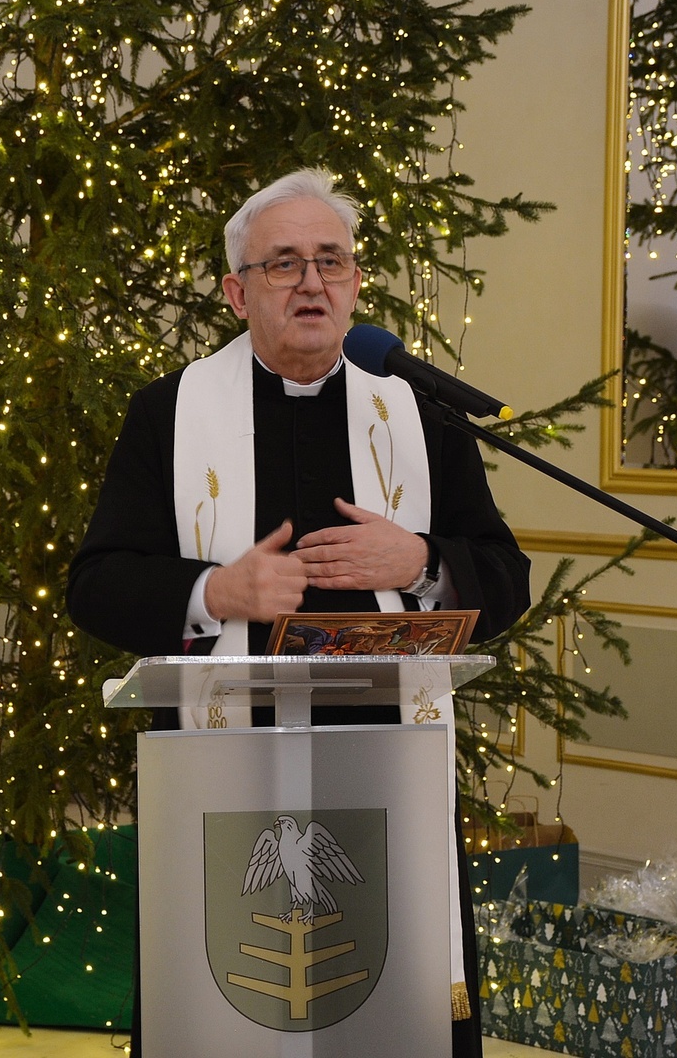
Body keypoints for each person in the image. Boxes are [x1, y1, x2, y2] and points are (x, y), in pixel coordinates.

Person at [66, 167, 531, 1058]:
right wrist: (215, 593)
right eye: (283, 264)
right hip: (222, 769)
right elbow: (95, 583)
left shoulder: (419, 413)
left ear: (354, 283)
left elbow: (506, 575)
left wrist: (421, 563)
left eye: (331, 261)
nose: (312, 282)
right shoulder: (168, 412)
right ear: (237, 293)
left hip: (389, 763)